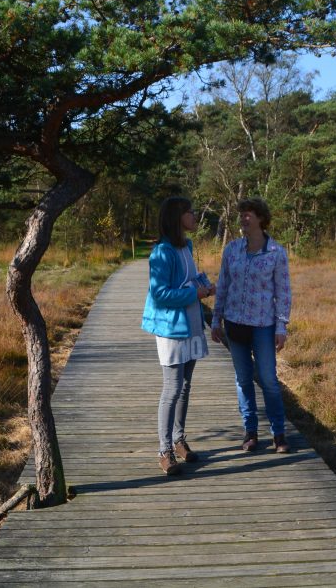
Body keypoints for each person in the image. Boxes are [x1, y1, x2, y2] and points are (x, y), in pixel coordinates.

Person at [211, 197, 293, 454]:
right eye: (242, 214)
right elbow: (223, 285)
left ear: (261, 219)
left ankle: (278, 434)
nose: (244, 219)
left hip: (263, 325)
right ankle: (250, 432)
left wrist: (281, 327)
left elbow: (284, 292)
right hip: (235, 324)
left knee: (268, 379)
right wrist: (216, 319)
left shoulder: (276, 252)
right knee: (243, 379)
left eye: (249, 214)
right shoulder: (232, 249)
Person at [142, 196, 215, 475]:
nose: (195, 216)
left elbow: (189, 279)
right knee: (172, 388)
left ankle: (178, 439)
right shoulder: (162, 252)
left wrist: (205, 286)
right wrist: (194, 293)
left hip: (192, 323)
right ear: (177, 217)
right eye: (190, 212)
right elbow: (160, 295)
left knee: (185, 387)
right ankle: (164, 450)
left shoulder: (187, 246)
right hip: (172, 327)